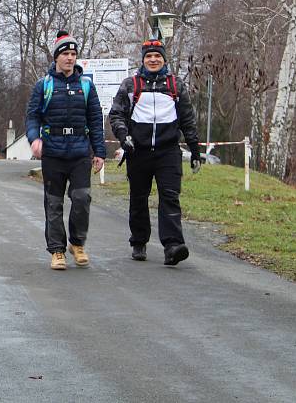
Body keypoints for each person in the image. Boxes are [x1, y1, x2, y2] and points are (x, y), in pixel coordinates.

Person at [108, 39, 201, 265]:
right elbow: (116, 114)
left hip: (168, 151)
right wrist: (123, 137)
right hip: (138, 152)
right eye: (149, 56)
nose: (153, 60)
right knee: (139, 198)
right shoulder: (130, 85)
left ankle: (173, 246)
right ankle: (139, 242)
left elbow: (188, 119)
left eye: (157, 56)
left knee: (170, 197)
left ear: (164, 59)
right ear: (143, 60)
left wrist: (195, 150)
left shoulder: (176, 85)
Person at [26, 31, 106, 270]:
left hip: (80, 152)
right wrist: (34, 139)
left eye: (73, 54)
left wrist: (99, 152)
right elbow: (32, 117)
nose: (70, 58)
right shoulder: (44, 86)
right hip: (53, 153)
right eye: (65, 54)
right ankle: (57, 250)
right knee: (53, 204)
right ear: (56, 57)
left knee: (82, 198)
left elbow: (95, 120)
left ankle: (77, 243)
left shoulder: (86, 86)